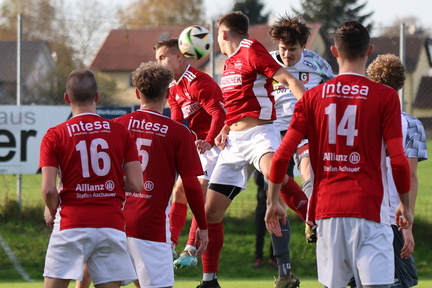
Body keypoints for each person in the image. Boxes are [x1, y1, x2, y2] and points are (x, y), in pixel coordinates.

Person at [265, 21, 413, 288]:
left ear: (334, 51)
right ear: (369, 51)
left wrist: (273, 201)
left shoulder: (312, 97)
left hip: (328, 213)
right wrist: (405, 203)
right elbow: (399, 160)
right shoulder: (385, 96)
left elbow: (282, 155)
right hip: (370, 210)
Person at [198, 11, 308, 288]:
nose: (217, 41)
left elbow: (288, 80)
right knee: (211, 213)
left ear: (223, 33)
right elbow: (234, 107)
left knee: (276, 173)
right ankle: (209, 281)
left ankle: (313, 219)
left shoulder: (251, 49)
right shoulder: (228, 63)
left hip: (260, 134)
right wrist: (224, 129)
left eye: (217, 36)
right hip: (234, 144)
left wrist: (312, 109)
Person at [39, 69, 143, 288]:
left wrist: (52, 208)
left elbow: (48, 190)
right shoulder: (121, 132)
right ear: (97, 97)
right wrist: (109, 182)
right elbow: (136, 184)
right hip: (110, 224)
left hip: (70, 223)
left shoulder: (54, 135)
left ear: (67, 98)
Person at [114, 61, 209, 288]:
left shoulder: (116, 126)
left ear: (137, 93)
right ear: (168, 93)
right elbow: (192, 186)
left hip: (114, 224)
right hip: (150, 227)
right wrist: (202, 228)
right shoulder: (179, 133)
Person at [252, 14, 335, 269]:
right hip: (271, 134)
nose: (286, 55)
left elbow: (334, 97)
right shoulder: (266, 62)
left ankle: (315, 220)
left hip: (304, 131)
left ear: (304, 46)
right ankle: (284, 268)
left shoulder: (318, 65)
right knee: (272, 193)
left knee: (308, 169)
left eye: (292, 50)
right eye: (283, 49)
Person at [346, 54, 428, 288]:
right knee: (401, 281)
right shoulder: (411, 125)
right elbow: (409, 176)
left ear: (370, 80)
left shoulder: (355, 118)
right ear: (402, 85)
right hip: (391, 217)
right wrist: (407, 228)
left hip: (355, 213)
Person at [153, 39, 226, 269]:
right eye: (158, 59)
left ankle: (190, 248)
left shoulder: (198, 82)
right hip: (198, 145)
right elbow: (176, 120)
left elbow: (219, 113)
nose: (160, 63)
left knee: (199, 190)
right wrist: (173, 143)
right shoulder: (174, 87)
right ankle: (170, 244)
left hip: (216, 144)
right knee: (180, 190)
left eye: (163, 57)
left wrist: (209, 139)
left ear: (179, 57)